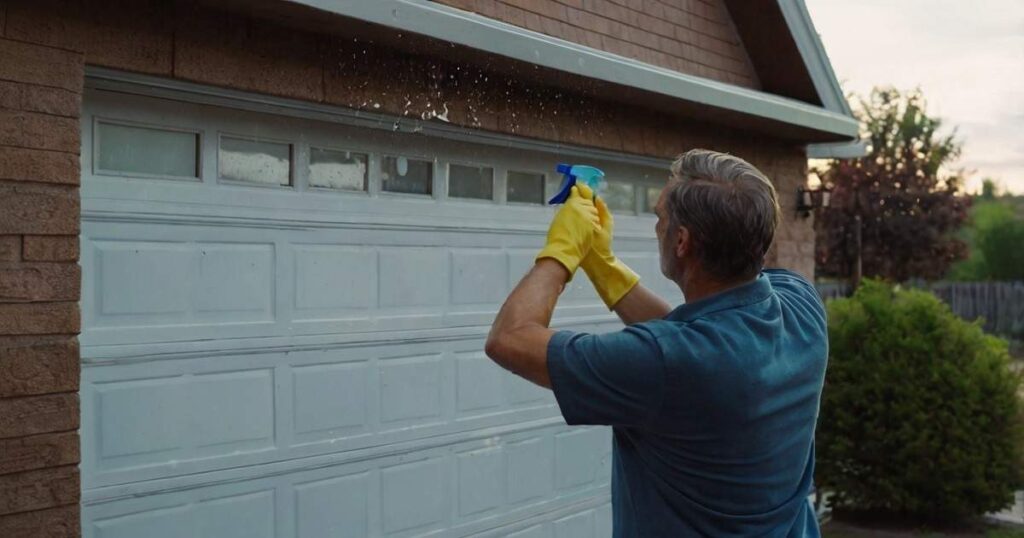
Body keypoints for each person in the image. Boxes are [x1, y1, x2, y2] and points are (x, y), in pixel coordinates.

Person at [485, 149, 828, 537]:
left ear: (681, 241)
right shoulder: (801, 304)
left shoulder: (666, 364)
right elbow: (700, 345)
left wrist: (561, 252)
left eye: (659, 217)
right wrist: (603, 266)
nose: (655, 226)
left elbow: (509, 338)